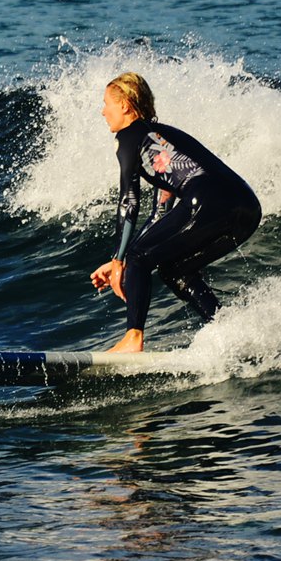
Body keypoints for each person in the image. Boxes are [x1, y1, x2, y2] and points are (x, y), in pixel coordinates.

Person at [90, 72, 261, 353]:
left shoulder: (129, 136)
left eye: (107, 103)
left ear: (124, 105)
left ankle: (133, 338)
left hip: (206, 199)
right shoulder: (161, 138)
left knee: (138, 257)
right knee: (174, 268)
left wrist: (121, 259)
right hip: (245, 205)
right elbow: (161, 213)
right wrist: (123, 259)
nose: (103, 111)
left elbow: (128, 200)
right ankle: (225, 330)